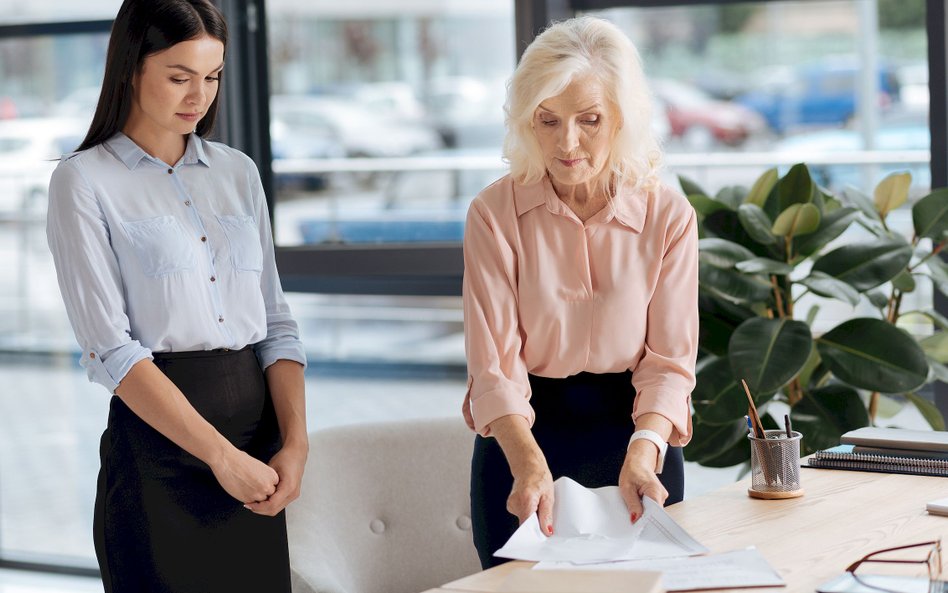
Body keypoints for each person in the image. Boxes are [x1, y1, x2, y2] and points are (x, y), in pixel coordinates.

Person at [46, 1, 307, 591]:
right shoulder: (83, 181)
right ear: (130, 69)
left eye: (212, 77)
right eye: (179, 76)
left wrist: (296, 443)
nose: (199, 96)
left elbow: (275, 322)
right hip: (160, 456)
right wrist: (220, 457)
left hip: (257, 451)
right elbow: (112, 350)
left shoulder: (237, 172)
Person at [462, 16, 698, 568]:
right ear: (527, 122)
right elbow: (494, 366)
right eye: (548, 121)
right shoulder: (493, 215)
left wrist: (646, 450)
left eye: (589, 120)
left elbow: (669, 361)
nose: (567, 143)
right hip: (521, 443)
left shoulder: (668, 216)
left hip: (639, 440)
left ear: (621, 117)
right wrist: (526, 462)